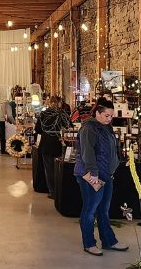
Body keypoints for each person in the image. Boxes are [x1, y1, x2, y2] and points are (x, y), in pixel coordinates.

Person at [75, 98, 129, 256]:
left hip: (106, 174)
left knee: (103, 210)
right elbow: (88, 153)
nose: (109, 118)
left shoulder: (106, 127)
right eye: (106, 115)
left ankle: (109, 241)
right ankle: (89, 243)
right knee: (90, 210)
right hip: (92, 176)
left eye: (111, 116)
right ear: (97, 113)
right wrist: (93, 174)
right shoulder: (89, 128)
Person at [34, 96, 71, 198]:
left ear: (49, 103)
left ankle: (52, 191)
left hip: (46, 143)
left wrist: (47, 132)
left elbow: (37, 129)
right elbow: (69, 126)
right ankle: (60, 190)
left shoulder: (43, 114)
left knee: (49, 168)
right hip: (59, 142)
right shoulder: (63, 114)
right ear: (59, 103)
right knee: (60, 168)